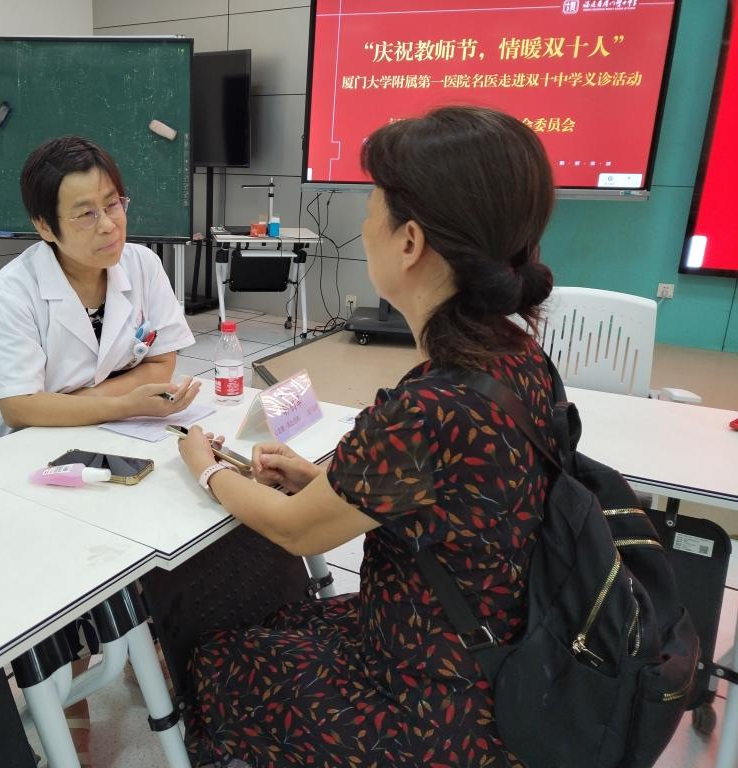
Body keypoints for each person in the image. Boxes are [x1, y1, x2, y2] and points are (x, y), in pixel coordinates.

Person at [176, 106, 558, 767]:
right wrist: (320, 480)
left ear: (409, 243)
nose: (361, 225)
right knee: (287, 618)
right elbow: (455, 501)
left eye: (371, 206)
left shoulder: (429, 405)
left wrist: (206, 468)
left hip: (438, 703)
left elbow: (295, 530)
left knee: (214, 660)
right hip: (508, 652)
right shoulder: (518, 357)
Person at [0, 135, 200, 442]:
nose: (107, 225)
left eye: (112, 204)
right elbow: (19, 407)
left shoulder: (143, 264)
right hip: (25, 442)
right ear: (45, 226)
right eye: (85, 214)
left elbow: (161, 364)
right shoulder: (15, 288)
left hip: (107, 433)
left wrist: (79, 403)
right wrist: (123, 405)